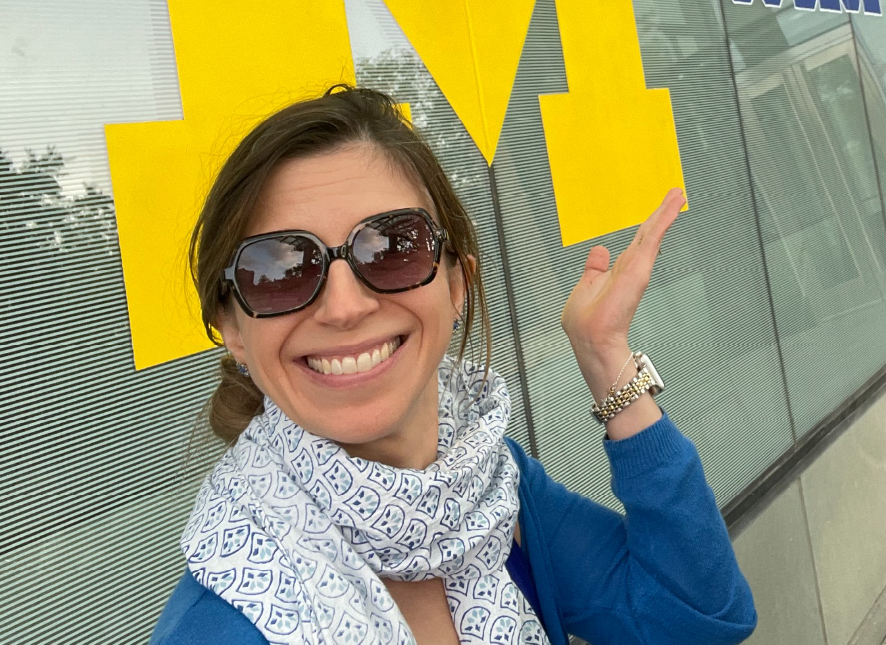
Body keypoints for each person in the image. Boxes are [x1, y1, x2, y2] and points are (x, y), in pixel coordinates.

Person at [149, 85, 756, 645]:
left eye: (391, 248)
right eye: (280, 269)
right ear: (232, 329)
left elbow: (693, 619)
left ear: (457, 286)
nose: (344, 306)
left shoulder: (486, 481)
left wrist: (606, 357)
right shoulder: (219, 626)